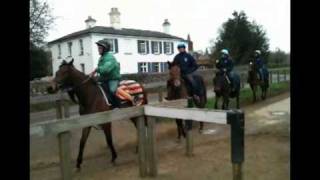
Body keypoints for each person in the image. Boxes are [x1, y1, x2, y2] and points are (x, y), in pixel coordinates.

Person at [89, 39, 135, 107]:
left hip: (113, 79)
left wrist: (96, 69)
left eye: (100, 48)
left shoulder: (110, 57)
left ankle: (124, 103)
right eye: (98, 48)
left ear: (105, 49)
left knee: (112, 90)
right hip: (104, 79)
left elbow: (106, 69)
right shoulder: (102, 57)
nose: (98, 49)